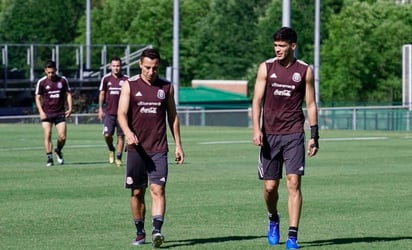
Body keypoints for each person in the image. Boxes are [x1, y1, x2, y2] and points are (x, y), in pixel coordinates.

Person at [252, 27, 319, 249]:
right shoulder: (266, 67)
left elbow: (310, 104)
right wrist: (256, 129)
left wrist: (314, 135)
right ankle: (273, 218)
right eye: (275, 46)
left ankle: (292, 236)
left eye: (282, 46)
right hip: (270, 135)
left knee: (294, 183)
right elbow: (257, 101)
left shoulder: (305, 70)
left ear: (293, 46)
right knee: (270, 187)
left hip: (294, 134)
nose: (278, 49)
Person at [117, 48, 184, 247]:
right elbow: (121, 113)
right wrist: (128, 132)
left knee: (158, 188)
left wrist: (178, 145)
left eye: (154, 68)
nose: (151, 72)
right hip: (137, 149)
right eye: (147, 67)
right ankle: (140, 232)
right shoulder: (129, 85)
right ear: (140, 64)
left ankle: (157, 231)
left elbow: (173, 117)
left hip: (159, 148)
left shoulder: (166, 87)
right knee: (137, 192)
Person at [35, 60, 72, 166]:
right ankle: (49, 158)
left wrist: (70, 108)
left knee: (62, 137)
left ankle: (58, 150)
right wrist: (41, 112)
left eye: (53, 72)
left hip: (60, 112)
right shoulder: (42, 82)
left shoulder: (63, 80)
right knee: (48, 134)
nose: (51, 74)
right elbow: (37, 98)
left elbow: (68, 94)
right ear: (45, 71)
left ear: (56, 70)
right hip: (46, 113)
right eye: (49, 72)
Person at [98, 57, 128, 167]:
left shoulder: (126, 79)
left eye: (118, 66)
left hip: (122, 113)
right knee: (107, 135)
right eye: (114, 66)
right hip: (109, 113)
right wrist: (100, 109)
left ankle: (119, 158)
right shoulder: (106, 79)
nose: (116, 68)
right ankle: (111, 149)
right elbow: (102, 94)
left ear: (121, 66)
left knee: (121, 136)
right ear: (110, 67)